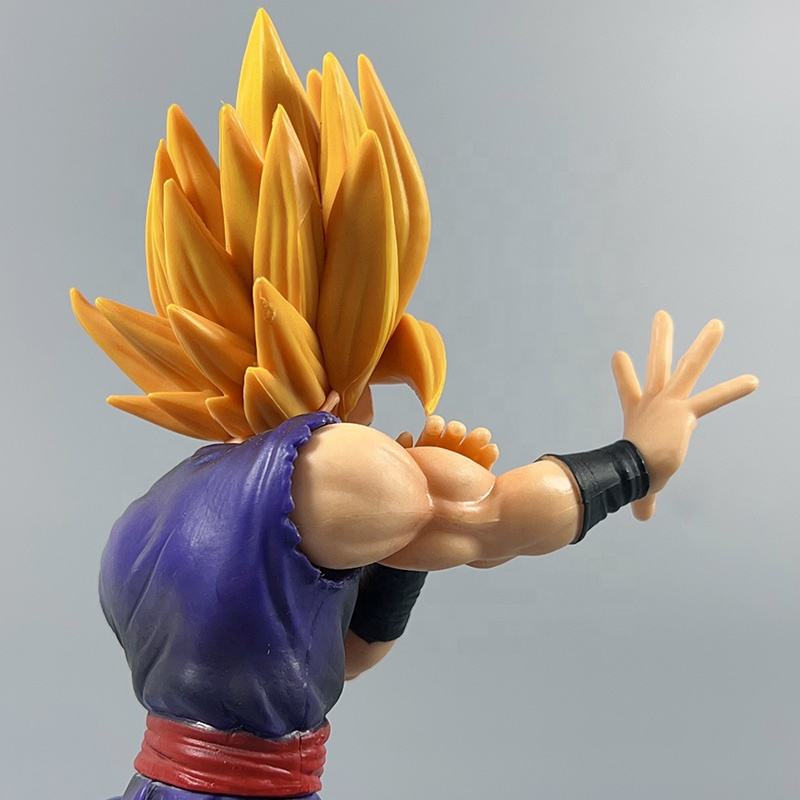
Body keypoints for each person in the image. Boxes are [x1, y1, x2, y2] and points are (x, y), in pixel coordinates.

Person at [71, 9, 758, 800]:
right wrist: (641, 458)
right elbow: (500, 520)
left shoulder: (150, 516)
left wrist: (398, 557)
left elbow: (342, 655)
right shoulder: (336, 466)